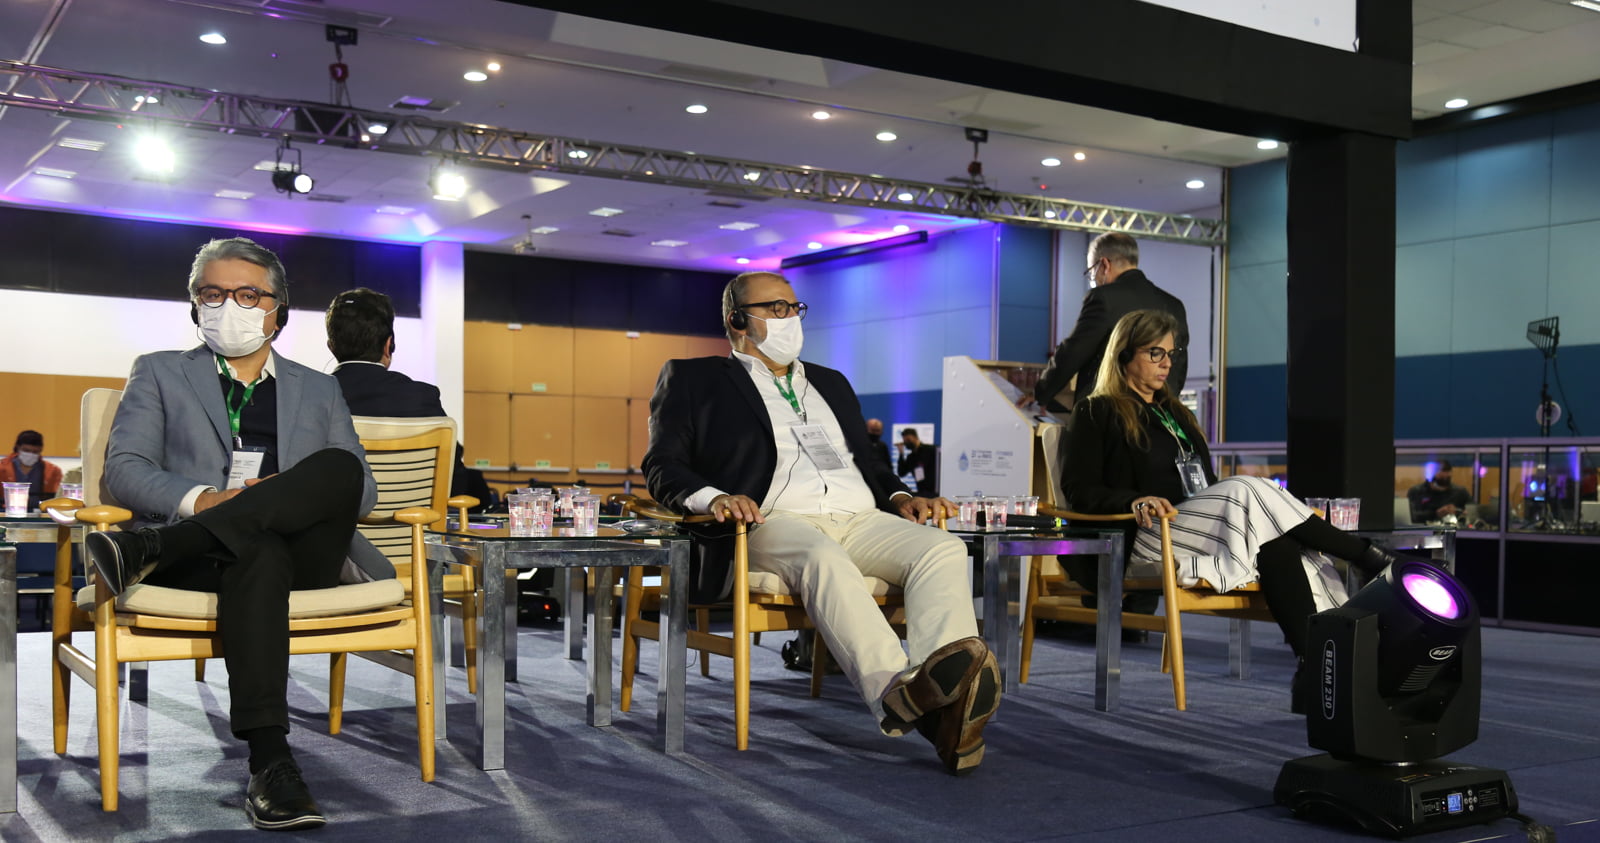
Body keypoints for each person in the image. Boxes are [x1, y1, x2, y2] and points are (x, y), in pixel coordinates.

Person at [84, 237, 394, 831]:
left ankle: (154, 547)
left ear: (278, 310)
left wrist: (279, 497)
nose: (230, 306)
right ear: (194, 305)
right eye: (214, 294)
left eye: (248, 295)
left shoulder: (320, 387)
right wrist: (206, 501)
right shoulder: (159, 371)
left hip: (304, 555)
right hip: (213, 565)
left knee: (340, 467)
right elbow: (124, 470)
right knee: (258, 546)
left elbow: (362, 493)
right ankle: (271, 762)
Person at [643, 270, 1000, 775]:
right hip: (769, 519)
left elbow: (869, 464)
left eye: (795, 307)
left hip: (860, 516)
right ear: (737, 320)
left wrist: (902, 496)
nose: (791, 317)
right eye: (776, 308)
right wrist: (716, 498)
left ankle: (947, 699)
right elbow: (662, 466)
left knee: (943, 548)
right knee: (823, 558)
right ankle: (895, 691)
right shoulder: (694, 379)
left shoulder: (831, 382)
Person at [1061, 309, 1409, 712]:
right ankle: (1364, 555)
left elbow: (1206, 485)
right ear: (1124, 354)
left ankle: (1315, 663)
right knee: (1247, 487)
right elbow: (1078, 489)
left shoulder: (1177, 414)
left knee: (1279, 544)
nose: (1167, 363)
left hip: (1199, 528)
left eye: (1171, 354)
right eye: (1155, 353)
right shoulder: (1097, 411)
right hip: (1146, 533)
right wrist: (1133, 501)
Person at [325, 287, 488, 503]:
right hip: (414, 523)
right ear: (388, 345)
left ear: (331, 347)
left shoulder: (314, 399)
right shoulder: (423, 397)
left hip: (341, 523)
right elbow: (454, 480)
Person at [1034, 233, 1190, 414]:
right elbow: (1179, 366)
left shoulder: (1103, 298)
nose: (1093, 279)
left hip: (1107, 412)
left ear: (1104, 265)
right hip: (1159, 413)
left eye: (1091, 272)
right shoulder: (1174, 305)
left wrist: (1041, 395)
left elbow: (1074, 352)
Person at [0, 430, 62, 510]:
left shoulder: (53, 471)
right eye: (26, 450)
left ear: (40, 450)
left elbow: (56, 497)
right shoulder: (2, 468)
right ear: (18, 447)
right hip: (6, 511)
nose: (30, 454)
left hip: (40, 512)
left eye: (35, 452)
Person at [1407, 461, 1471, 523]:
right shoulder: (1417, 492)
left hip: (1453, 527)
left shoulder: (1460, 492)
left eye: (1447, 476)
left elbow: (1472, 512)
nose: (1442, 489)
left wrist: (1458, 512)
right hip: (1424, 528)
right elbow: (1410, 516)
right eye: (1441, 477)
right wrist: (1435, 514)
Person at [896, 427, 939, 497]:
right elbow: (901, 472)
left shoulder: (931, 450)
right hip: (922, 491)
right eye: (905, 441)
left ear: (915, 437)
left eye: (908, 440)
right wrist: (901, 454)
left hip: (935, 490)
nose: (906, 443)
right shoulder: (911, 457)